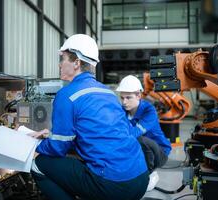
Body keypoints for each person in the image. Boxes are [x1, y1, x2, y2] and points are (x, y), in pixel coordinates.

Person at [28, 34, 149, 200]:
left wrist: (34, 146)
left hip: (114, 185)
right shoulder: (108, 93)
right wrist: (50, 135)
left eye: (63, 59)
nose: (60, 64)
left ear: (77, 63)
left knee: (37, 164)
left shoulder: (67, 95)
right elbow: (106, 131)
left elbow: (58, 148)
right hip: (141, 177)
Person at [116, 75, 172, 191]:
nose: (124, 102)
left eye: (128, 97)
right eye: (122, 98)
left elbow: (133, 134)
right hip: (140, 152)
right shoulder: (123, 111)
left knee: (138, 138)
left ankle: (149, 174)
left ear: (139, 96)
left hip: (160, 153)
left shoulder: (149, 111)